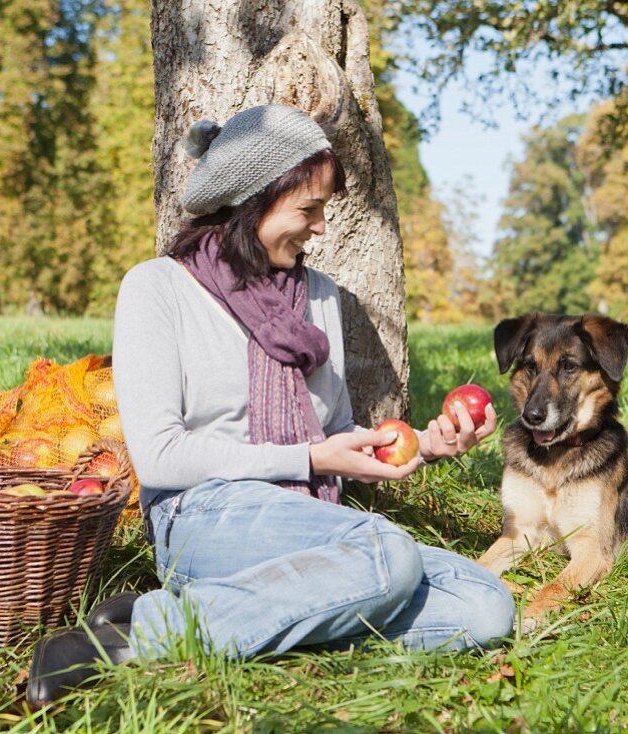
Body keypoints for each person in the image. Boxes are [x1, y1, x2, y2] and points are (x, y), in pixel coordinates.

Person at [27, 104, 515, 708]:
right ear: (252, 199)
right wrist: (308, 458)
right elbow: (158, 458)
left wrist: (428, 443)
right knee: (386, 553)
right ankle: (130, 640)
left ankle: (235, 617)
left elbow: (335, 436)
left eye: (323, 211)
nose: (320, 228)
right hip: (202, 514)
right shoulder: (157, 287)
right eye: (307, 210)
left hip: (313, 521)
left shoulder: (320, 296)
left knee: (487, 606)